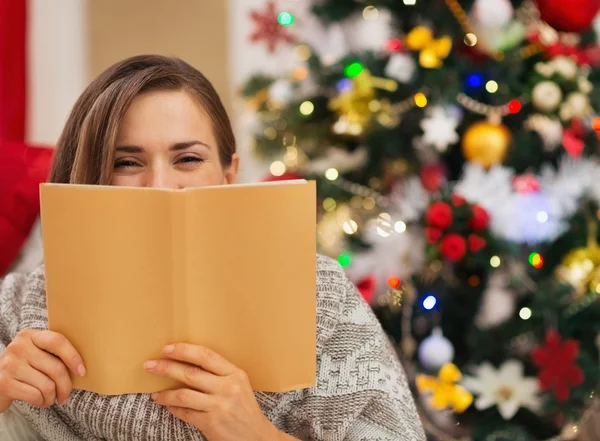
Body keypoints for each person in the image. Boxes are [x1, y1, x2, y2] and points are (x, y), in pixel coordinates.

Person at [0, 55, 426, 441]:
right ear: (88, 176)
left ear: (228, 172)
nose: (161, 185)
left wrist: (256, 435)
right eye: (126, 162)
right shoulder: (16, 310)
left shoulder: (320, 297)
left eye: (187, 159)